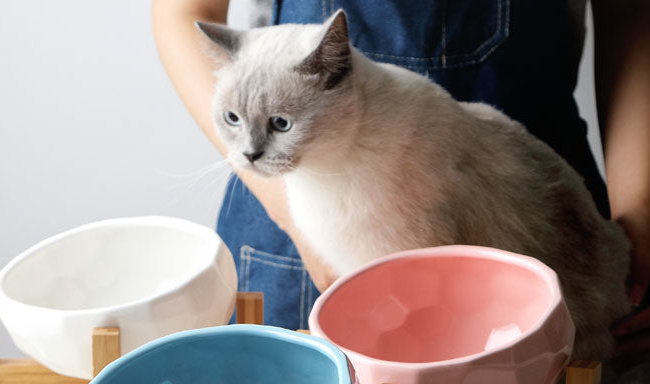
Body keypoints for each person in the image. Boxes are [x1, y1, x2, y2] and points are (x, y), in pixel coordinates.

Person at [152, 0, 650, 365]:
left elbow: (630, 14)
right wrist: (301, 223)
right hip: (296, 225)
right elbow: (183, 11)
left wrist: (642, 217)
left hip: (533, 221)